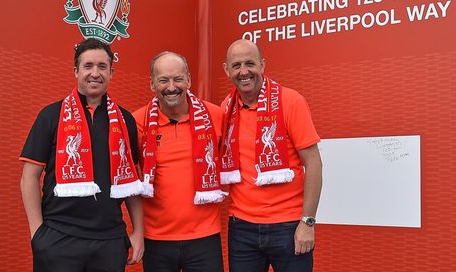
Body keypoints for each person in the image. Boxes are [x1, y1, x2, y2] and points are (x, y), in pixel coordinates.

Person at [19, 38, 144, 272]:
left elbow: (131, 182)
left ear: (111, 72)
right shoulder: (51, 115)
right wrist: (38, 233)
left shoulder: (125, 120)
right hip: (59, 237)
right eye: (88, 66)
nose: (95, 73)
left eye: (102, 67)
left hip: (109, 241)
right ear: (76, 71)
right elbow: (29, 177)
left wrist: (138, 231)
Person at [220, 39, 323, 272]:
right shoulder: (226, 108)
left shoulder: (290, 101)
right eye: (236, 65)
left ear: (262, 65)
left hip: (288, 227)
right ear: (227, 70)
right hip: (242, 229)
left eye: (250, 63)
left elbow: (313, 163)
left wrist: (307, 223)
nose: (244, 71)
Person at [132, 51, 226, 272]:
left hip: (205, 238)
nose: (171, 86)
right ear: (152, 83)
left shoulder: (215, 116)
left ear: (189, 80)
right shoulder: (137, 122)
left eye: (178, 79)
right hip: (156, 239)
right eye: (163, 80)